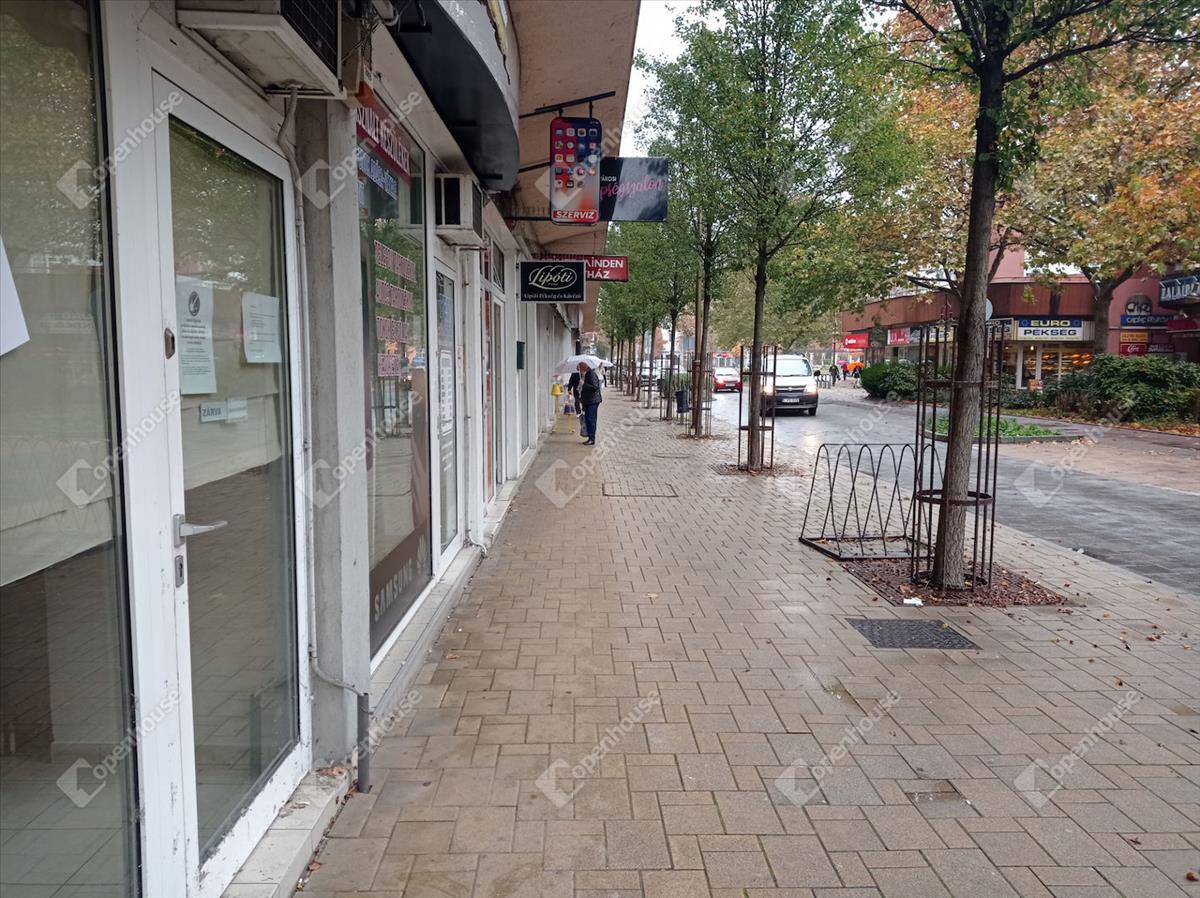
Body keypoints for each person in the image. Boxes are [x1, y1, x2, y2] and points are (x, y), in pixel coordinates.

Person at [578, 361, 602, 446]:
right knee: (588, 418)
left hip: (593, 401)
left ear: (583, 368)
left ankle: (592, 439)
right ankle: (590, 437)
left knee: (591, 419)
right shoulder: (585, 375)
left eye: (579, 369)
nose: (579, 371)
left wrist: (584, 384)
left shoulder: (591, 374)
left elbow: (595, 387)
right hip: (588, 401)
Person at [566, 369, 587, 439]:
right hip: (576, 390)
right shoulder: (575, 373)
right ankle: (578, 412)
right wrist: (569, 389)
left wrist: (583, 382)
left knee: (583, 401)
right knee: (577, 401)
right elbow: (571, 381)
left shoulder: (585, 373)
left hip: (584, 390)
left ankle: (583, 411)